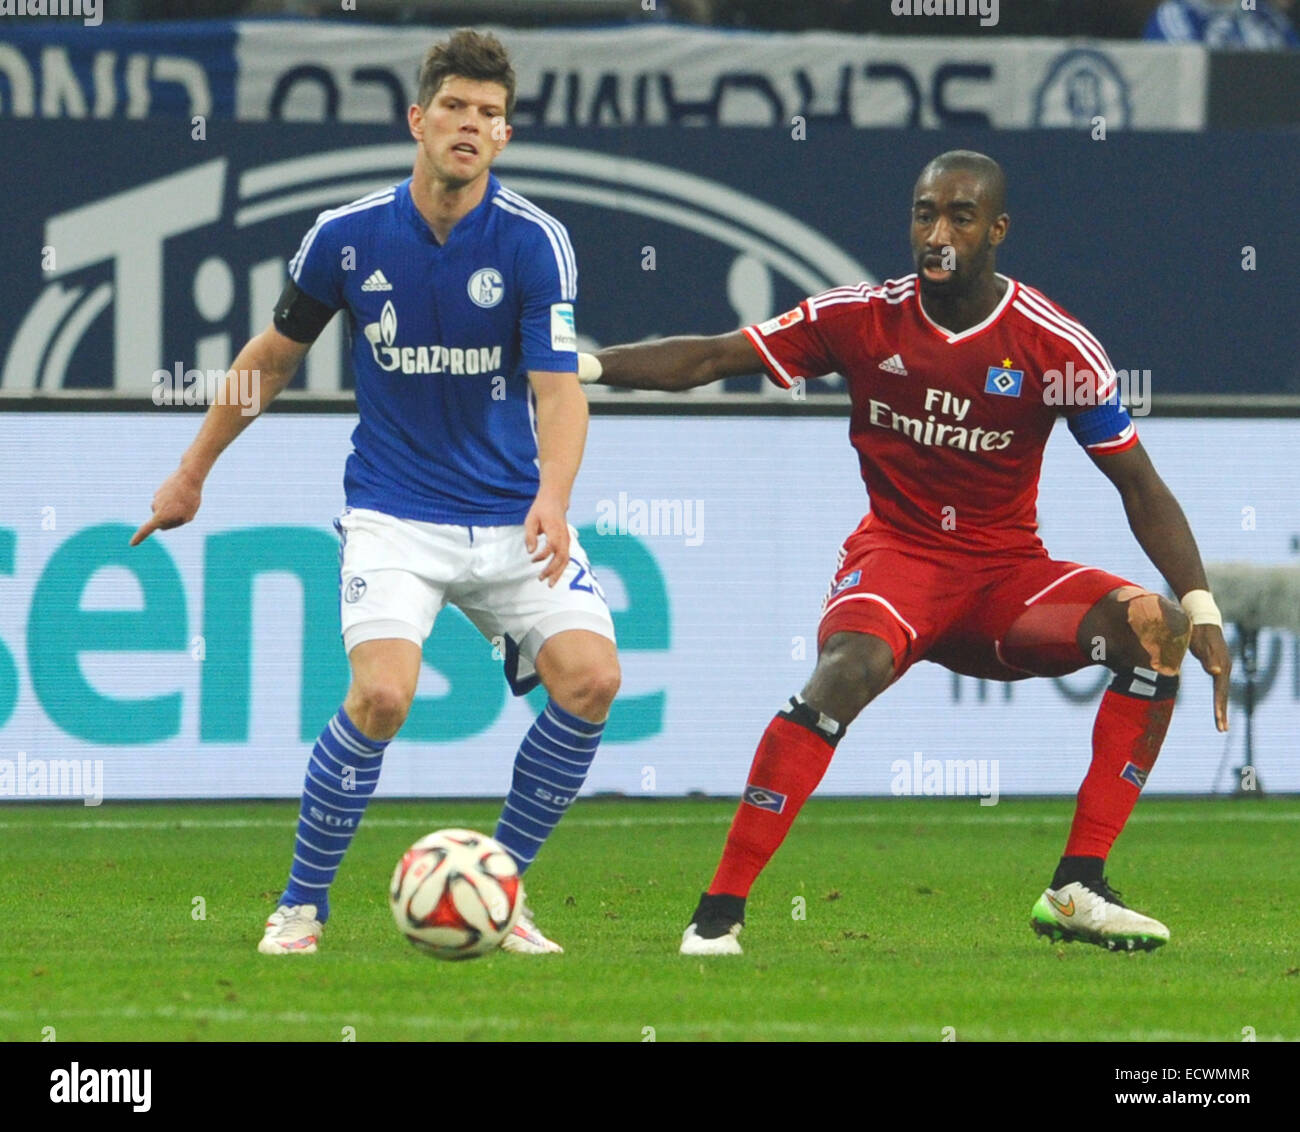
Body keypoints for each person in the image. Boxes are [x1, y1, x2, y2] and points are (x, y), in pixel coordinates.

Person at [577, 150, 1231, 955]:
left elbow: (1139, 485)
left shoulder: (1051, 346)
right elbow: (715, 356)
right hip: (899, 559)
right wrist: (590, 365)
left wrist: (1197, 603)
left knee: (1153, 628)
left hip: (1005, 578)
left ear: (998, 229)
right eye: (925, 213)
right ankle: (718, 916)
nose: (938, 232)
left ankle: (1077, 888)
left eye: (960, 216)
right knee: (843, 671)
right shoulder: (859, 317)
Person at [132, 29, 619, 956]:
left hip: (514, 513)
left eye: (488, 114)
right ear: (418, 119)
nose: (469, 126)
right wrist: (192, 471)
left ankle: (496, 888)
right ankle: (301, 907)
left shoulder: (533, 244)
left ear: (505, 136)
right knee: (384, 698)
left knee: (594, 679)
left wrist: (555, 494)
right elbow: (270, 360)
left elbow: (559, 390)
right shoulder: (348, 237)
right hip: (394, 513)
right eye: (454, 108)